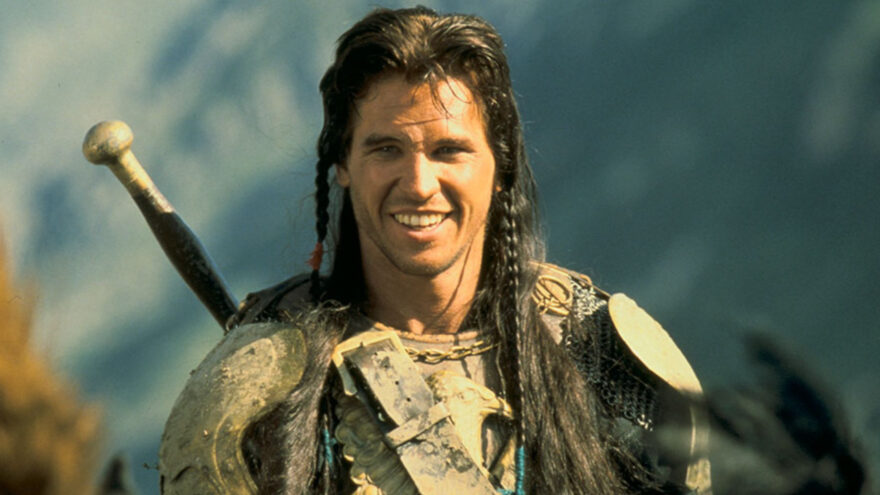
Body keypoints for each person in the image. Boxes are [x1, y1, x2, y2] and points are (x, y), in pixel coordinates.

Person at [158, 6, 711, 494]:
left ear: (500, 166)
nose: (419, 184)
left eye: (449, 150)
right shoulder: (253, 387)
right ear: (343, 164)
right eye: (386, 149)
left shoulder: (606, 354)